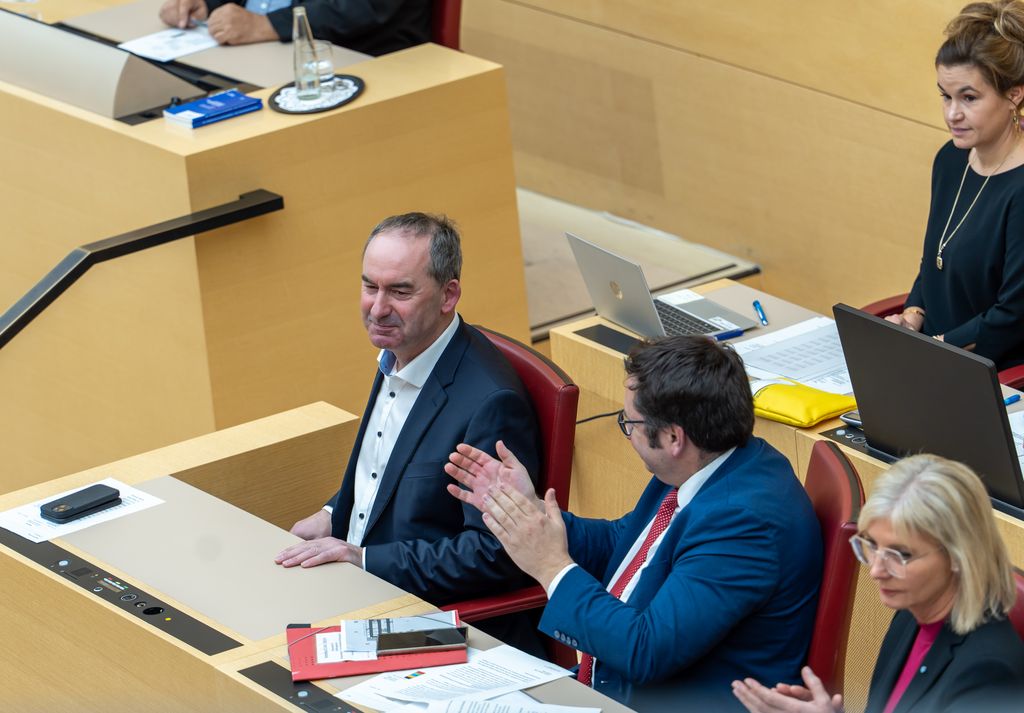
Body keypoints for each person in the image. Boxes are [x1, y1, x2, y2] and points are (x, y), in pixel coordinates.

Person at [446, 336, 823, 711]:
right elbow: (626, 545)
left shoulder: (744, 526)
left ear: (673, 437)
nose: (627, 432)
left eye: (629, 423)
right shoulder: (708, 460)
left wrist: (551, 567)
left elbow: (645, 651)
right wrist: (528, 513)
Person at [273, 212, 543, 652]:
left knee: (282, 664)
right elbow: (391, 470)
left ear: (448, 295)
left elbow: (495, 552)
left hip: (430, 622)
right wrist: (332, 513)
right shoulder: (402, 349)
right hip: (358, 590)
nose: (378, 309)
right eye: (370, 287)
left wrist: (364, 559)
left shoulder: (491, 403)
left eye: (400, 292)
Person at [732, 454, 1024, 713]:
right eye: (872, 546)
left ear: (960, 555)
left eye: (900, 555)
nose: (876, 571)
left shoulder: (989, 674)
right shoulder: (912, 610)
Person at [885, 0, 1024, 370]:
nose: (952, 114)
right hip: (939, 357)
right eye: (946, 96)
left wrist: (936, 349)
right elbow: (936, 260)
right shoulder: (950, 159)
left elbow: (1012, 316)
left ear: (1014, 94)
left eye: (969, 98)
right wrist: (913, 315)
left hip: (996, 374)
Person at [157, 0, 430, 55]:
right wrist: (206, 3)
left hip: (347, 57)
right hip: (248, 54)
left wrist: (267, 24)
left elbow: (365, 6)